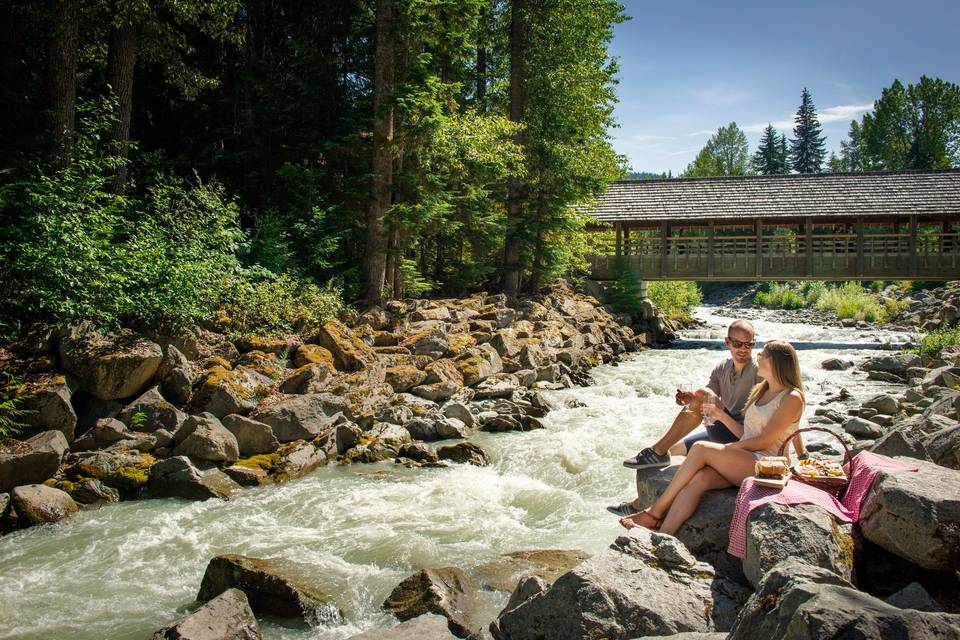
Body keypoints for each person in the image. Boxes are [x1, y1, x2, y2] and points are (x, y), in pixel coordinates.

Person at [617, 340, 806, 534]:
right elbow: (748, 434)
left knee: (701, 448)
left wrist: (726, 449)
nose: (757, 357)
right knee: (699, 479)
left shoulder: (791, 397)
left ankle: (654, 512)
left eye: (762, 354)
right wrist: (721, 416)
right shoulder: (762, 390)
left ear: (774, 362)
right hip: (748, 459)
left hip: (768, 465)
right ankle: (664, 536)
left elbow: (764, 441)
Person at [622, 319, 760, 469]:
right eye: (738, 344)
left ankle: (658, 452)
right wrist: (691, 400)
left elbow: (706, 396)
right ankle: (660, 452)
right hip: (720, 430)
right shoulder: (721, 368)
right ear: (727, 342)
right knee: (673, 450)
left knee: (702, 395)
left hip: (741, 436)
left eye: (749, 344)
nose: (743, 349)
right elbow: (707, 397)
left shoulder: (759, 372)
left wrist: (699, 397)